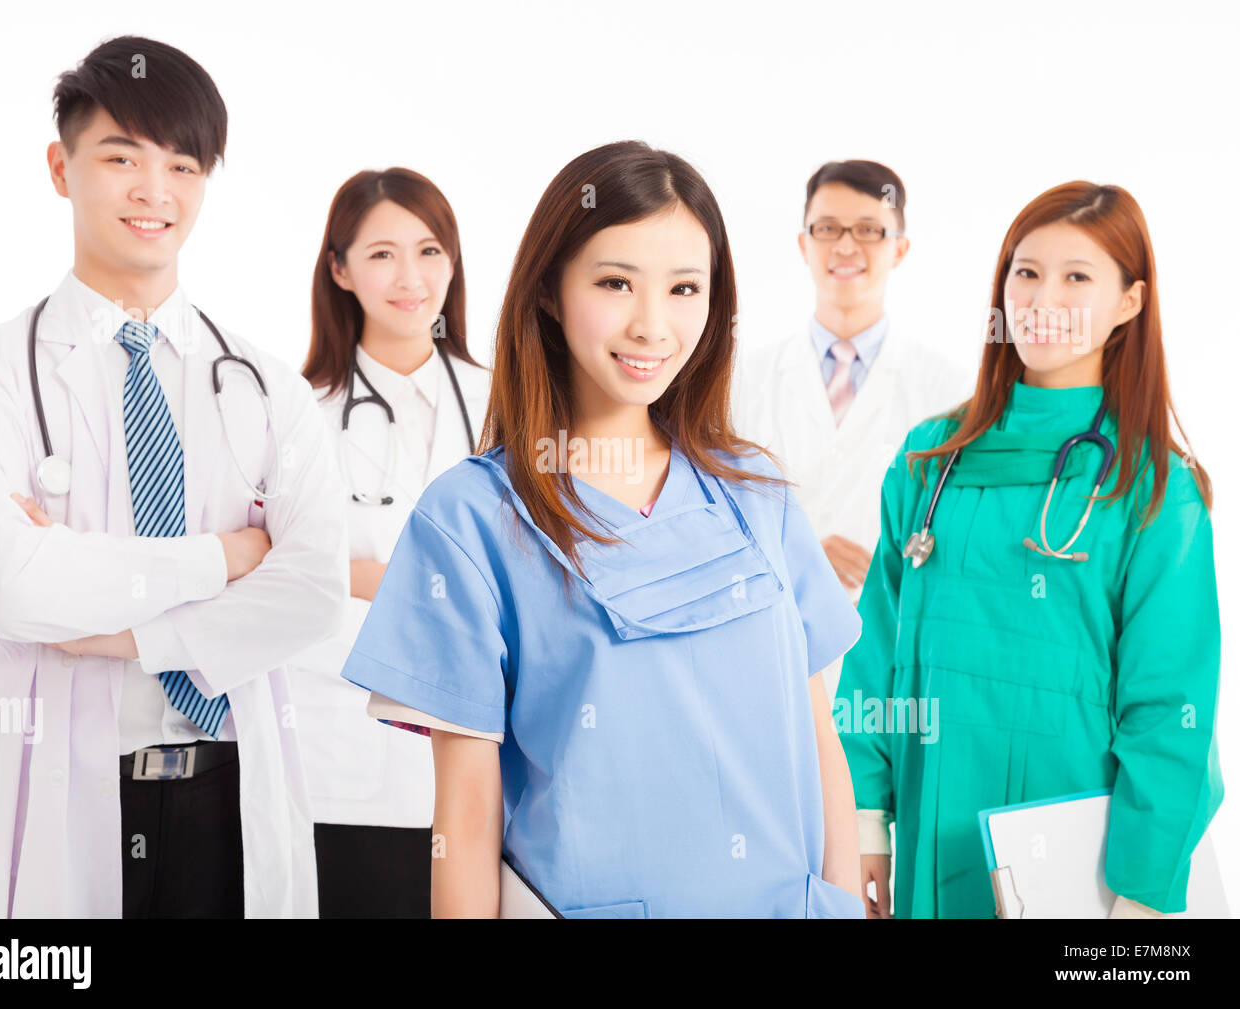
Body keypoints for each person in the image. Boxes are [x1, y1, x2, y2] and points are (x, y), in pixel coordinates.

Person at [340, 140, 867, 919]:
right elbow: (465, 818)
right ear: (550, 290)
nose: (653, 324)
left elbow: (822, 740)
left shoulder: (757, 495)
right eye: (617, 282)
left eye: (685, 287)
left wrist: (846, 903)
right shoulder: (470, 520)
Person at [0, 36, 347, 917]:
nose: (153, 191)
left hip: (228, 797)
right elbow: (12, 587)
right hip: (63, 793)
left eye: (182, 164)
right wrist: (227, 555)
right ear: (62, 166)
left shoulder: (269, 385)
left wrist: (128, 631)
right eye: (120, 157)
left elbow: (313, 588)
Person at [837, 181, 1222, 919]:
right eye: (1026, 271)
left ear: (1129, 303)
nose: (1043, 298)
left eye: (1078, 277)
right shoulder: (931, 461)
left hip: (1076, 865)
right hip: (929, 827)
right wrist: (864, 821)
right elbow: (873, 652)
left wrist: (1140, 892)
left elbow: (1169, 706)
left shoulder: (1152, 490)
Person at [292, 168, 490, 917]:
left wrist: (368, 576)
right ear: (339, 269)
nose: (411, 277)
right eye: (381, 254)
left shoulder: (508, 402)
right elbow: (289, 589)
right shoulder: (300, 417)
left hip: (488, 762)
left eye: (430, 250)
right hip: (349, 767)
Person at [735, 161, 969, 700]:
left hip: (898, 657)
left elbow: (961, 539)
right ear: (803, 244)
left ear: (900, 248)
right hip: (769, 653)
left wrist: (895, 566)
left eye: (869, 229)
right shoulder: (743, 381)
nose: (846, 246)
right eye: (828, 228)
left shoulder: (949, 388)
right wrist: (796, 557)